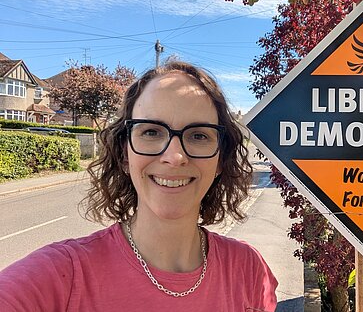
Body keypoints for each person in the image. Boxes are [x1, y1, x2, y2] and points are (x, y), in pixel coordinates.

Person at [0, 60, 278, 311]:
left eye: (198, 135)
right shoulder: (56, 277)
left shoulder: (249, 271)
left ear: (220, 159)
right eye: (152, 132)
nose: (175, 157)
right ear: (124, 154)